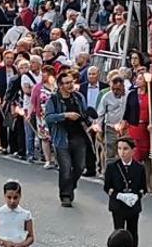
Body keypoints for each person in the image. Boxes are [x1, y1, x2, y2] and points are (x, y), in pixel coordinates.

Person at [44, 70, 92, 207]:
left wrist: (88, 118)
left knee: (80, 166)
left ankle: (70, 186)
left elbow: (84, 112)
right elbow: (48, 117)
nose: (70, 85)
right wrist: (65, 115)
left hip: (79, 136)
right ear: (60, 85)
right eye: (66, 83)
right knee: (65, 168)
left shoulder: (78, 97)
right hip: (62, 138)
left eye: (71, 82)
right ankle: (65, 195)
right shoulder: (54, 100)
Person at [103, 137, 146, 246]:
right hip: (118, 205)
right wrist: (119, 196)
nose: (122, 152)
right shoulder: (112, 167)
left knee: (133, 232)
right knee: (119, 234)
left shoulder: (139, 168)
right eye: (119, 148)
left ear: (133, 150)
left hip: (133, 206)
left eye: (125, 149)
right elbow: (107, 187)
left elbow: (143, 187)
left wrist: (137, 196)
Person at [0, 180, 34, 247]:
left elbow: (31, 237)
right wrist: (3, 243)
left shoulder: (26, 214)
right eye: (9, 197)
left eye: (15, 198)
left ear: (20, 196)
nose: (12, 201)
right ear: (4, 196)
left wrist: (22, 244)